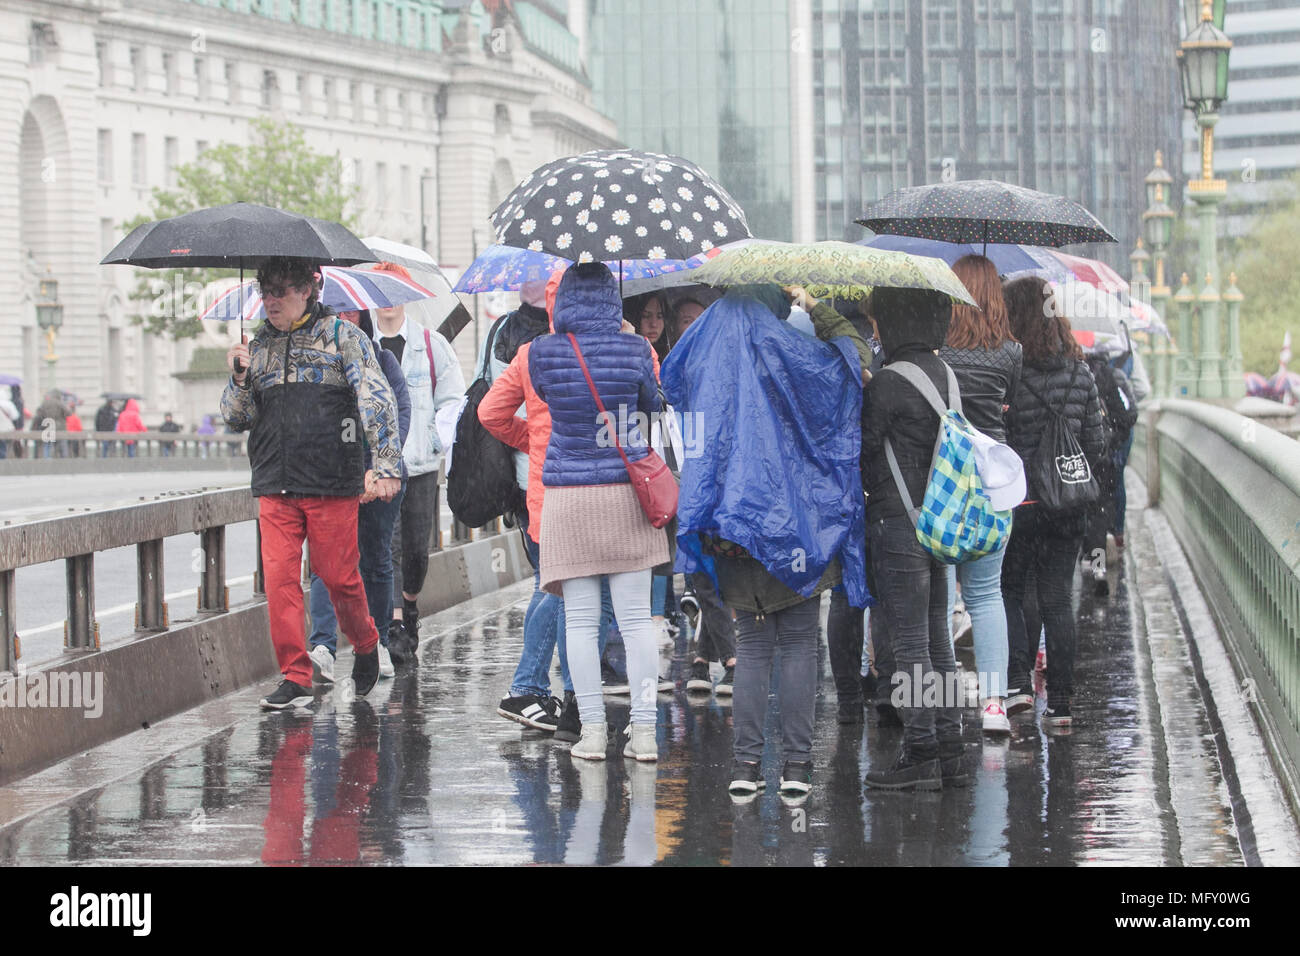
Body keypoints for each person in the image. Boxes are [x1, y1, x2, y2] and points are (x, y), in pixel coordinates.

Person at [664, 283, 871, 799]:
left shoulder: (702, 343)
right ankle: (797, 768)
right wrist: (816, 308)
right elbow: (854, 363)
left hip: (729, 522)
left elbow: (670, 385)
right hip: (796, 520)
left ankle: (745, 768)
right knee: (800, 641)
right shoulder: (792, 346)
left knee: (753, 645)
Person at [222, 256, 402, 710]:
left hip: (330, 483)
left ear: (308, 289)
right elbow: (237, 417)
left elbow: (376, 401)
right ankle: (295, 675)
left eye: (280, 291)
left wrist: (384, 465)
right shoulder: (257, 347)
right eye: (265, 292)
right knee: (280, 581)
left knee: (339, 579)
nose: (270, 301)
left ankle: (365, 644)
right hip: (274, 483)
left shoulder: (345, 338)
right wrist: (239, 378)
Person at [528, 262, 669, 762]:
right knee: (635, 623)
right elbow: (654, 407)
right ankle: (646, 731)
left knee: (582, 623)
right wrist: (631, 346)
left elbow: (547, 398)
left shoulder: (543, 352)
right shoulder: (635, 349)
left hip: (567, 498)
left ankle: (591, 733)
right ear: (613, 299)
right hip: (624, 493)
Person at [860, 287, 964, 791]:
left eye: (878, 319)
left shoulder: (887, 382)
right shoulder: (947, 375)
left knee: (909, 644)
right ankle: (950, 746)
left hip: (897, 523)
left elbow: (862, 452)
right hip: (938, 522)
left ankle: (919, 749)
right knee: (937, 636)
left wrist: (864, 390)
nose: (875, 328)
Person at [1001, 276, 1105, 730]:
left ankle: (1019, 685)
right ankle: (1061, 703)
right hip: (1068, 505)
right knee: (1058, 599)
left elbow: (999, 439)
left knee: (1015, 590)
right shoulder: (1081, 372)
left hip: (1021, 501)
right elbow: (1097, 445)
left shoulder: (1010, 370)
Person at [937, 255, 1023, 737]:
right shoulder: (1010, 352)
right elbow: (1008, 400)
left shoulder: (938, 349)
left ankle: (945, 698)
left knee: (942, 593)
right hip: (993, 480)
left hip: (945, 477)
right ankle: (995, 704)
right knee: (987, 594)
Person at [368, 261, 466, 664]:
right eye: (380, 294)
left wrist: (434, 441)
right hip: (379, 467)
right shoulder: (361, 345)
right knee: (385, 546)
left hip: (421, 465)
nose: (387, 304)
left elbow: (453, 400)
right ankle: (391, 624)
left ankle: (409, 606)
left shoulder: (431, 345)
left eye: (395, 294)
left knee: (415, 549)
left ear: (406, 297)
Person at [308, 309, 411, 682]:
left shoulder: (382, 359)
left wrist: (378, 468)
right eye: (335, 314)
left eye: (350, 313)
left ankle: (380, 639)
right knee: (325, 561)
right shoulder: (315, 366)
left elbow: (399, 414)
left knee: (376, 558)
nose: (344, 322)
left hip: (379, 478)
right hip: (332, 480)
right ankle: (323, 645)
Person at [1082, 350, 1138, 595]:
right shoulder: (1110, 376)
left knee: (1074, 511)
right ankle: (1097, 566)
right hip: (1102, 459)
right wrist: (1112, 442)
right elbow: (1127, 416)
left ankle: (1083, 558)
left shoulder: (1069, 372)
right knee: (1099, 512)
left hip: (1070, 460)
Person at [31, 389, 67, 458]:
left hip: (47, 426)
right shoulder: (59, 403)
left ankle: (47, 459)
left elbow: (39, 414)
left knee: (47, 445)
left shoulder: (45, 403)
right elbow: (68, 413)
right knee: (61, 445)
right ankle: (62, 459)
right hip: (59, 427)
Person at [0, 388, 18, 459]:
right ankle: (4, 460)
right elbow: (15, 416)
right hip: (7, 429)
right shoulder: (9, 404)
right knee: (6, 447)